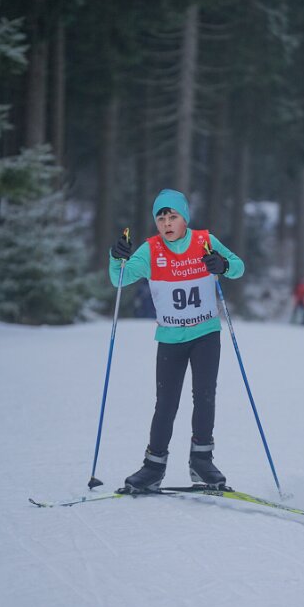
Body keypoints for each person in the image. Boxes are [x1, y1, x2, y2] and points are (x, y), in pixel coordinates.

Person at [109, 188, 245, 492]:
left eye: (173, 216)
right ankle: (153, 467)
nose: (167, 223)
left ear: (185, 218)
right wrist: (116, 257)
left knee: (204, 397)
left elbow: (238, 267)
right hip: (170, 337)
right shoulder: (150, 249)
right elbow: (119, 278)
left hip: (205, 334)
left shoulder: (204, 241)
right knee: (166, 403)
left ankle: (202, 461)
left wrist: (222, 265)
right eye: (161, 218)